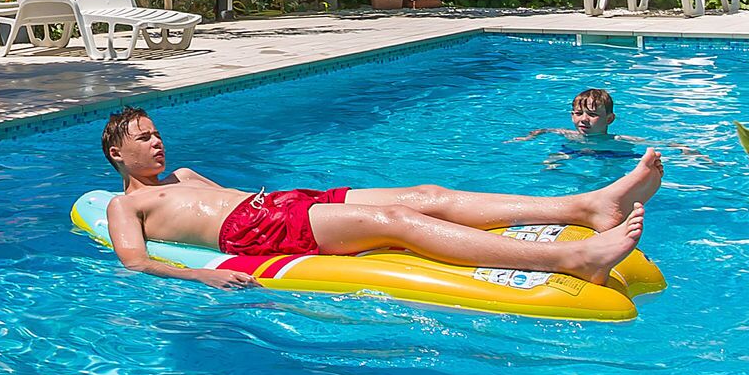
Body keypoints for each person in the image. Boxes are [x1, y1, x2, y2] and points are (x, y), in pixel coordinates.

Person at [97, 106, 654, 287]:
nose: (157, 142)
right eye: (142, 138)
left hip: (279, 204)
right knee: (397, 219)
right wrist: (205, 275)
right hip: (257, 233)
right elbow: (135, 262)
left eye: (157, 132)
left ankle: (586, 206)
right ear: (119, 156)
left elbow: (227, 197)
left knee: (425, 194)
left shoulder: (187, 174)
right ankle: (571, 259)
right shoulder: (127, 205)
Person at [514, 87, 632, 149]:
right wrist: (528, 137)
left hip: (609, 154)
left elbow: (645, 143)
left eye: (592, 114)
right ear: (572, 116)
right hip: (575, 151)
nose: (584, 119)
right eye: (579, 113)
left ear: (609, 119)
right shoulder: (569, 134)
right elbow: (546, 130)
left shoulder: (617, 139)